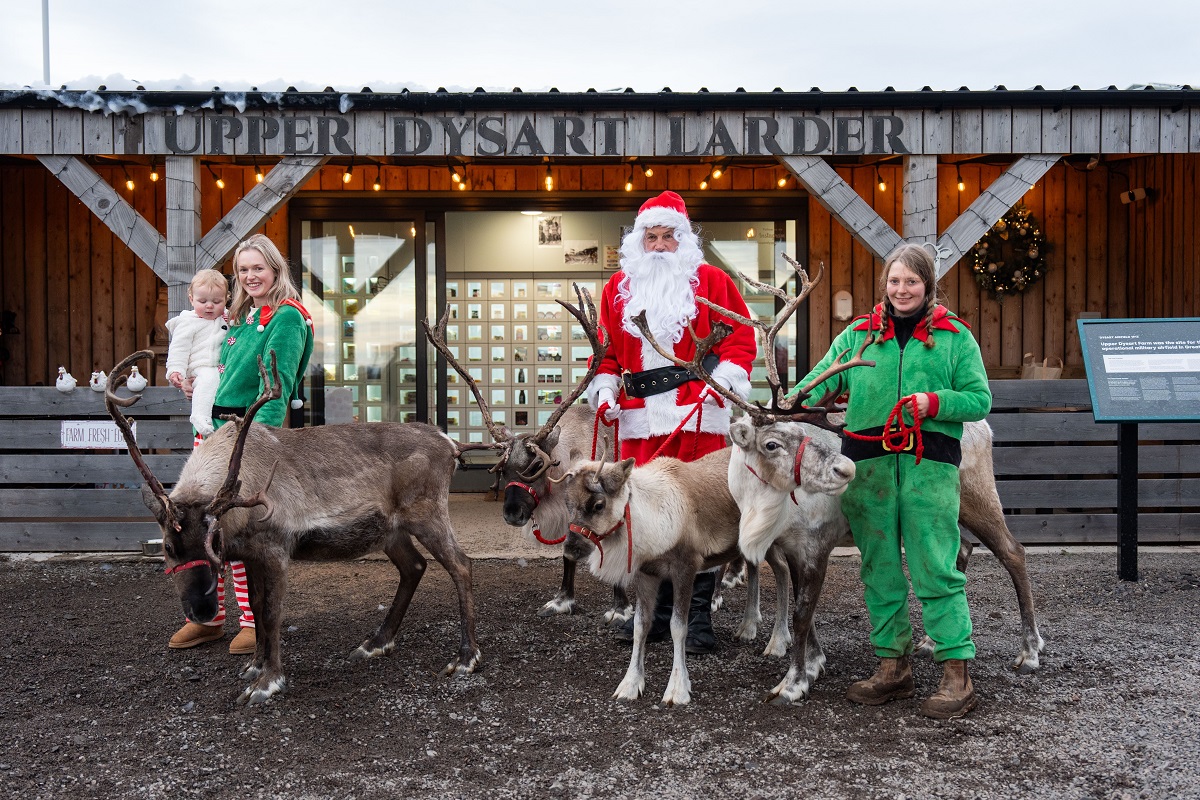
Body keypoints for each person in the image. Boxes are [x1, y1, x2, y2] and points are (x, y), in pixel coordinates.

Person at [789, 242, 991, 719]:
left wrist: (934, 404)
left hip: (929, 468)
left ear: (928, 285)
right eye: (895, 281)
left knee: (936, 569)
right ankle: (892, 667)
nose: (902, 290)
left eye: (912, 282)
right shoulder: (858, 335)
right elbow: (822, 379)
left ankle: (956, 673)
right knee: (879, 570)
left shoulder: (956, 338)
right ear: (885, 284)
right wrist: (786, 399)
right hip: (869, 471)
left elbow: (979, 399)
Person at [586, 190, 756, 654]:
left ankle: (697, 617)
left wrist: (719, 383)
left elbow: (742, 340)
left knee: (700, 515)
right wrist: (605, 392)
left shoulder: (713, 281)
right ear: (639, 243)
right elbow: (604, 354)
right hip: (640, 421)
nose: (659, 246)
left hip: (698, 413)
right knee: (642, 513)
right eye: (652, 237)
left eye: (668, 237)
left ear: (684, 241)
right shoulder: (615, 290)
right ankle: (653, 615)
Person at [167, 234, 314, 655]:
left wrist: (248, 445)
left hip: (242, 439)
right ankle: (209, 618)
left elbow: (278, 388)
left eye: (257, 268)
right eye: (243, 270)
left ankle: (253, 621)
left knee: (244, 532)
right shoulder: (245, 316)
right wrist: (197, 386)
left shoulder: (285, 318)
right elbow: (229, 373)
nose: (250, 276)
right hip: (212, 433)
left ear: (275, 269)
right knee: (201, 529)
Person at [165, 269, 229, 436]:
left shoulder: (227, 318)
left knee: (214, 380)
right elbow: (179, 349)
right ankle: (200, 416)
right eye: (202, 301)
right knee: (209, 379)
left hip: (220, 367)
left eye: (217, 301)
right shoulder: (188, 322)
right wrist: (176, 370)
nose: (209, 306)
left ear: (226, 299)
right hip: (199, 366)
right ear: (191, 299)